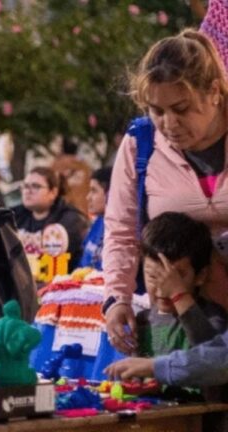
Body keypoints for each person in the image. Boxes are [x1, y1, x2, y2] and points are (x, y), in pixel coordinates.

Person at [104, 29, 228, 356]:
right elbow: (120, 231)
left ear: (213, 92)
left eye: (182, 108)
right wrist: (117, 299)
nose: (169, 123)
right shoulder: (140, 144)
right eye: (156, 111)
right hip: (176, 319)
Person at [135, 213, 227, 358]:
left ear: (200, 276)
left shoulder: (212, 318)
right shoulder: (142, 321)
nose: (162, 289)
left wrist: (178, 295)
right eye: (153, 276)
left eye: (174, 279)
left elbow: (213, 356)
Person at [13, 166, 88, 273]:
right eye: (25, 186)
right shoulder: (15, 215)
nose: (28, 191)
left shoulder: (72, 219)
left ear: (53, 192)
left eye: (36, 186)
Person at [78, 167, 112, 269]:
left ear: (110, 194)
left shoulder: (124, 229)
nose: (88, 197)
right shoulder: (98, 222)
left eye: (94, 191)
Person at [52, 139, 91, 215]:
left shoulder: (57, 165)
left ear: (62, 149)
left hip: (64, 209)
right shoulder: (84, 166)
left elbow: (52, 184)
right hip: (83, 208)